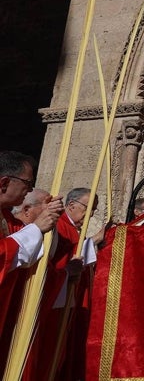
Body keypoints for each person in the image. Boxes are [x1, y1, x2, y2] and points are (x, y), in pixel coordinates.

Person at [0, 151, 63, 368]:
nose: (29, 188)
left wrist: (48, 221)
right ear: (5, 182)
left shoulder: (6, 217)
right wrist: (36, 228)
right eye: (28, 182)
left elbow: (32, 248)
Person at [30, 187, 100, 381]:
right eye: (89, 208)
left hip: (64, 299)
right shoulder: (59, 225)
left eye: (94, 210)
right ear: (71, 205)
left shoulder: (72, 228)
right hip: (52, 300)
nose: (91, 214)